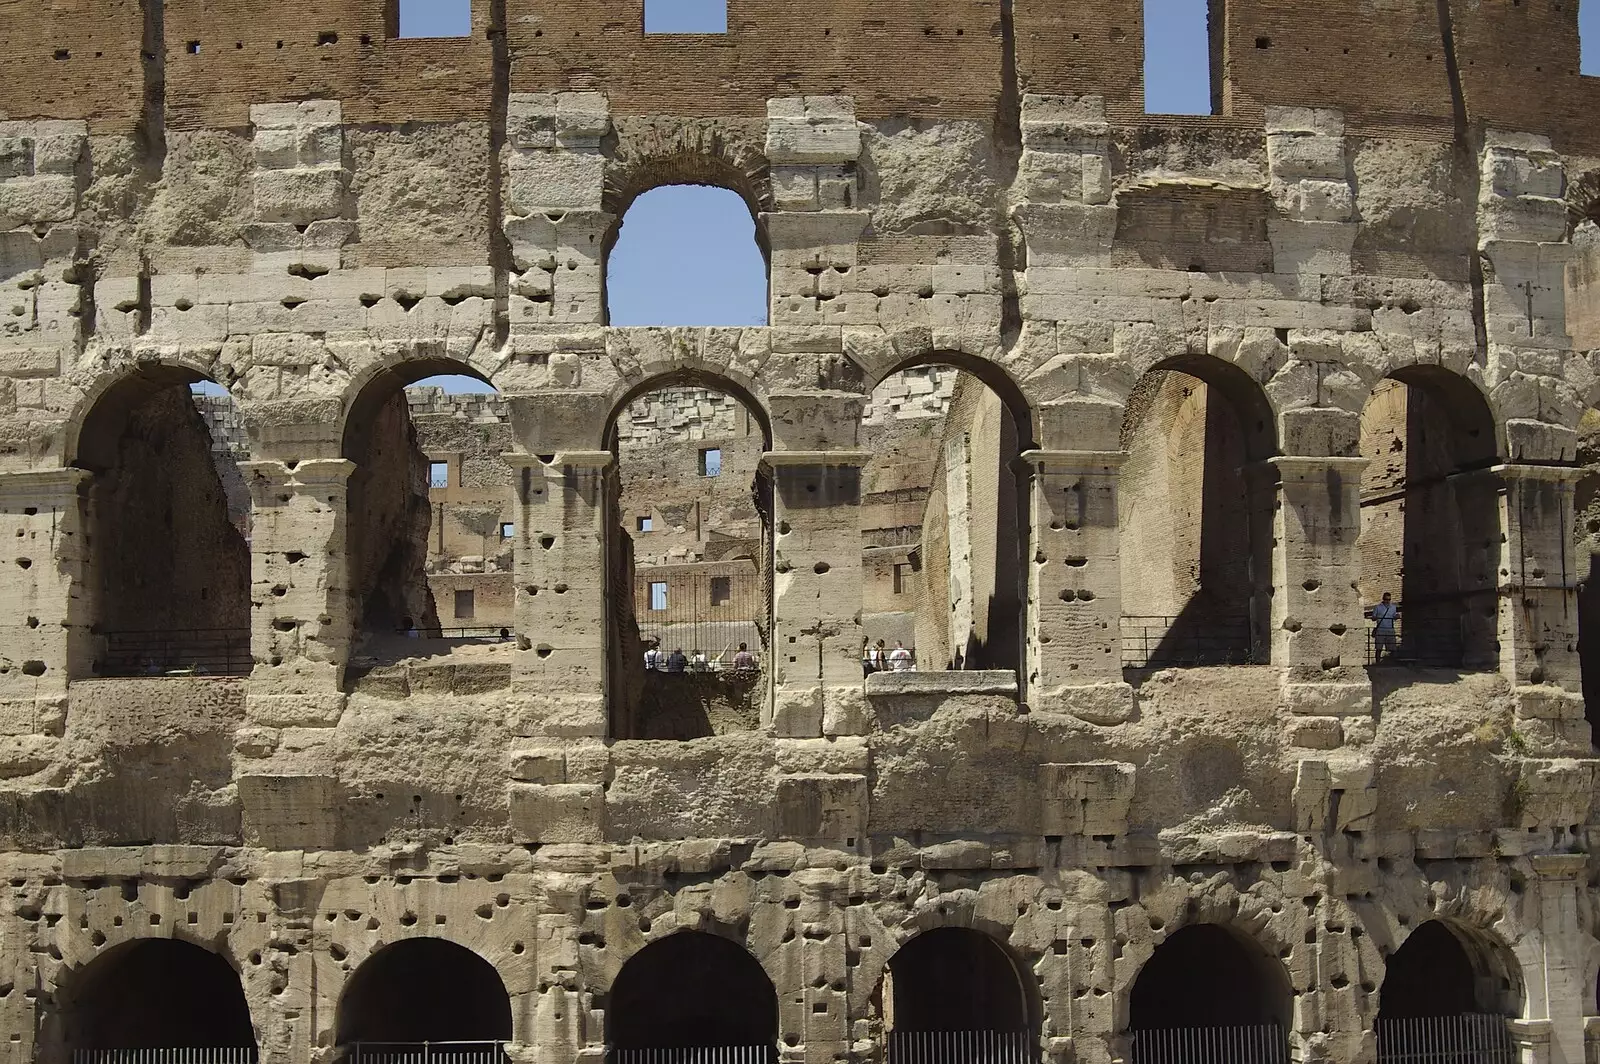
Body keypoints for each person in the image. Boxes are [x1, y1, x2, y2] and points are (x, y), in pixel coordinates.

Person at [1368, 592, 1399, 661]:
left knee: (1392, 647)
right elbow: (1373, 618)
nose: (1387, 601)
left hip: (1390, 629)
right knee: (1379, 648)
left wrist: (1397, 616)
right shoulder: (1377, 607)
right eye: (1386, 599)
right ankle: (1378, 662)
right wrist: (1375, 618)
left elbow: (1394, 617)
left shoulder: (1393, 607)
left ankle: (1392, 662)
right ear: (1383, 599)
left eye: (1389, 599)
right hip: (1380, 629)